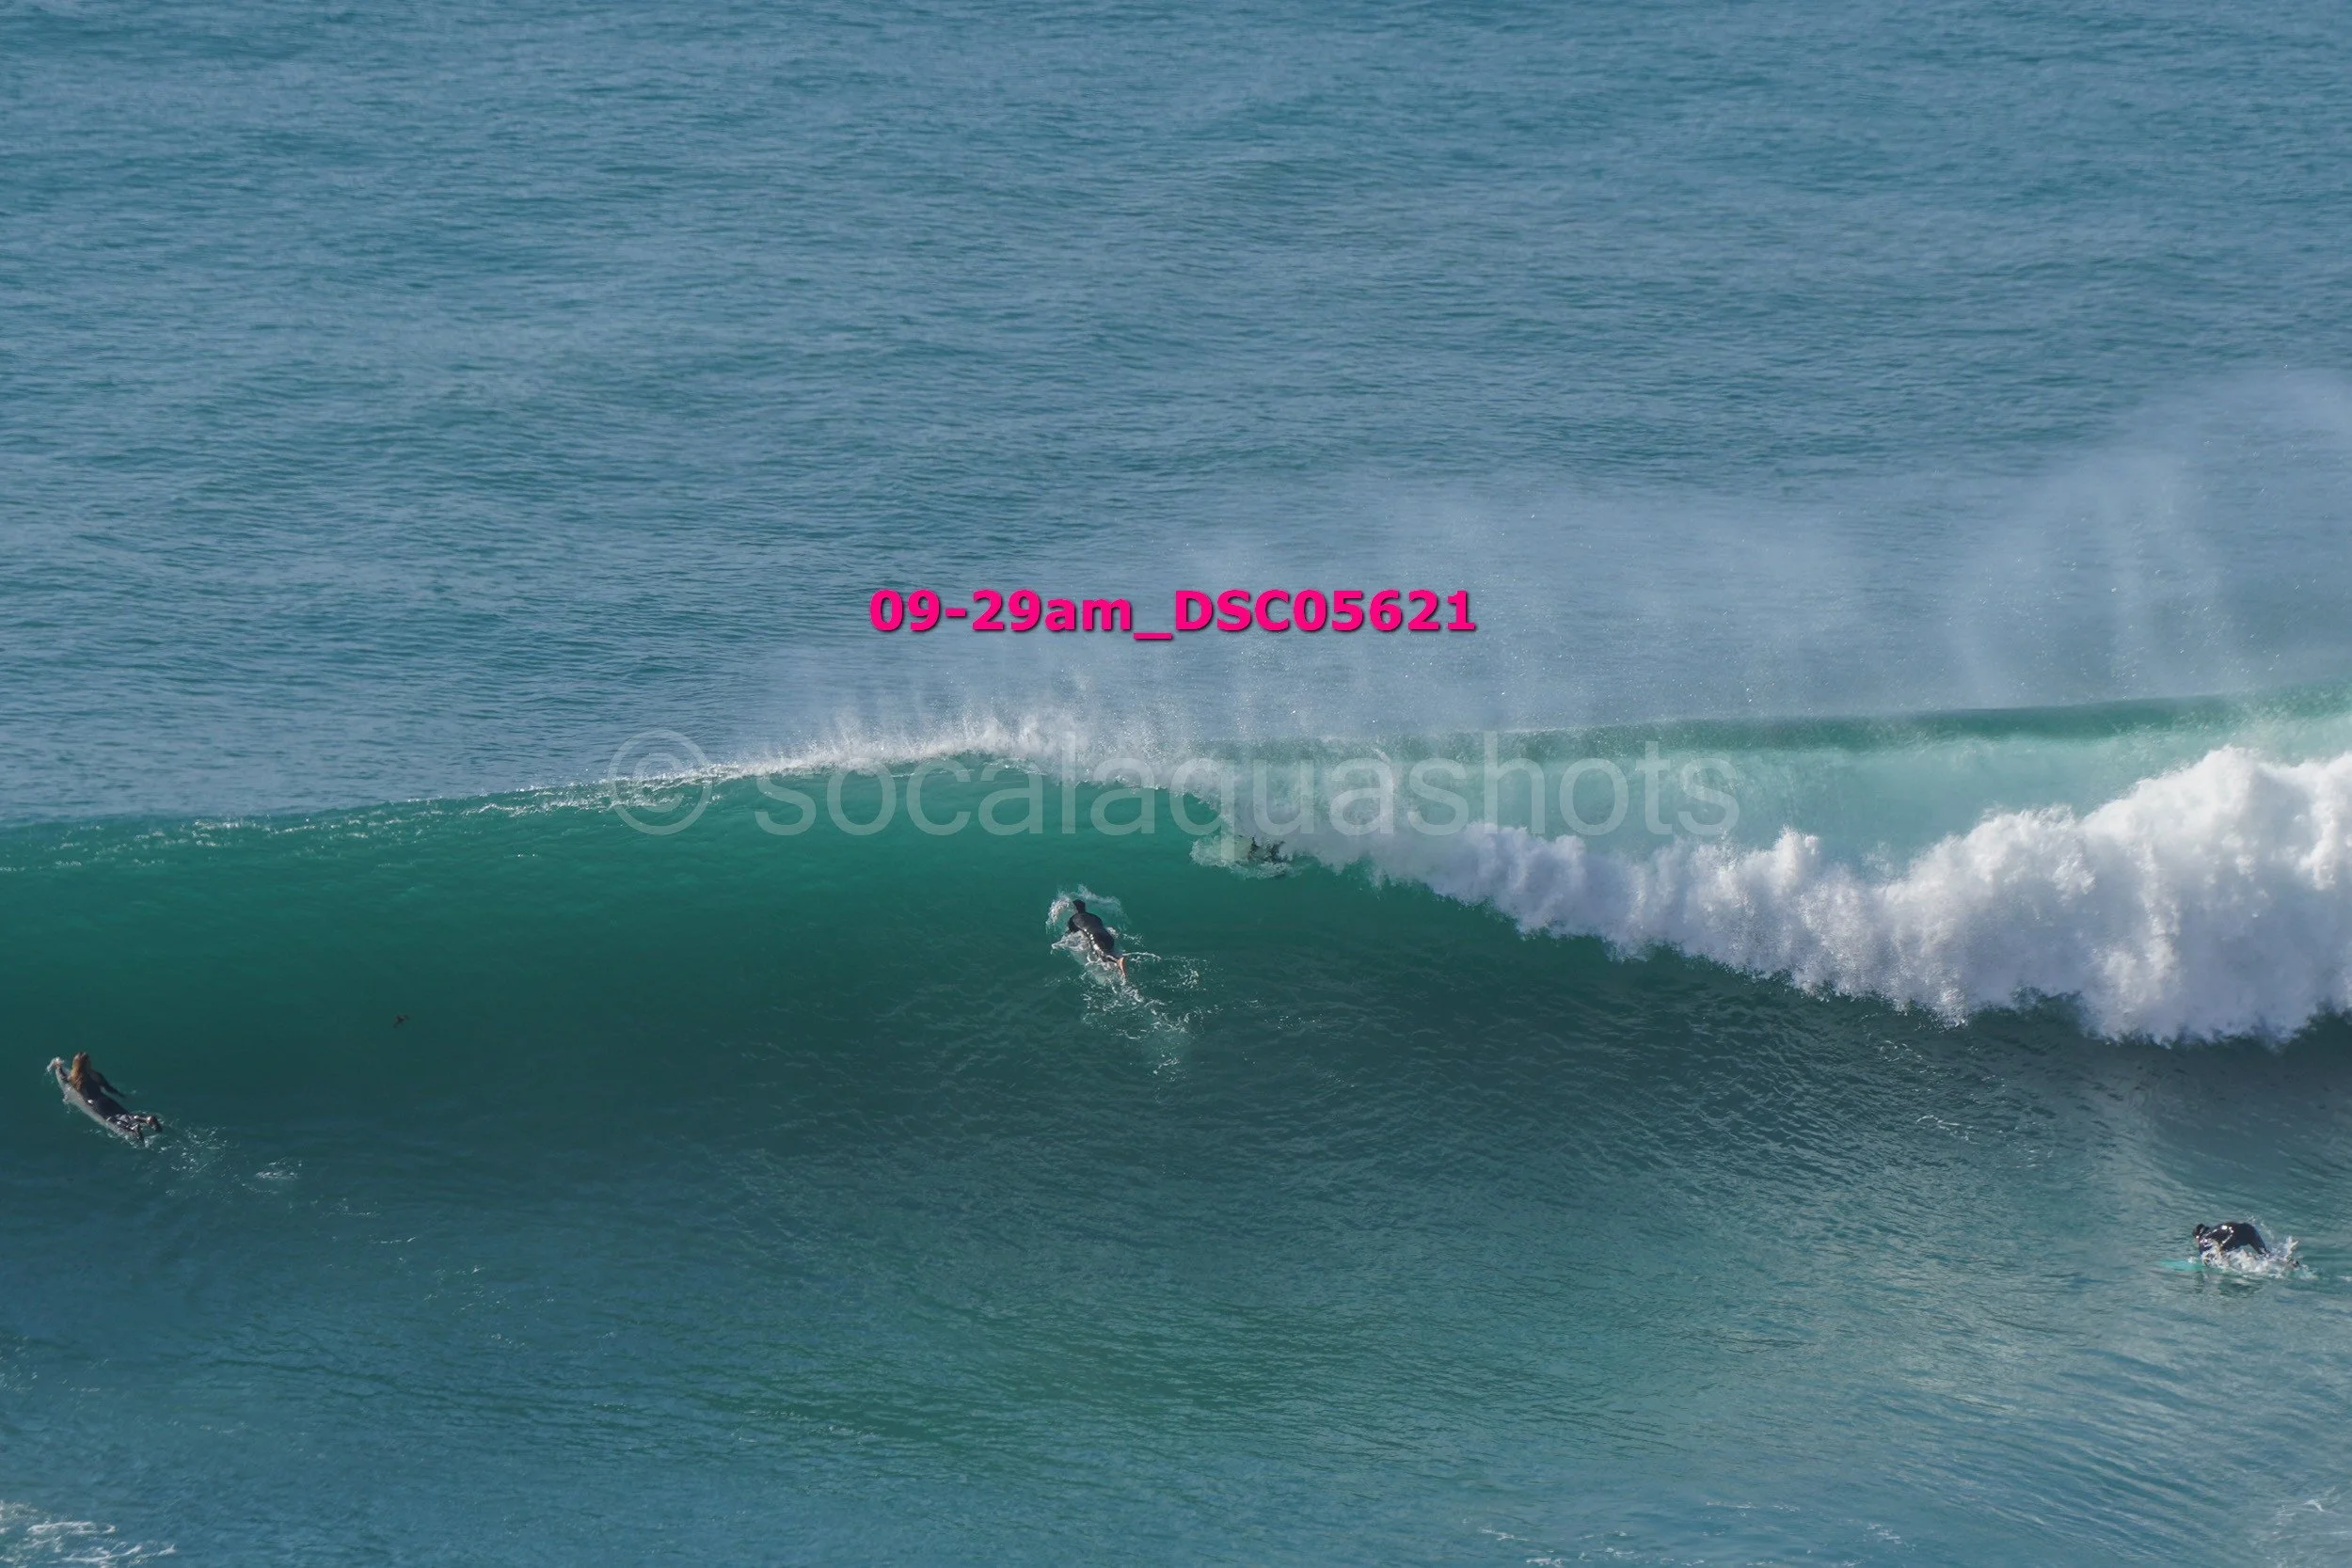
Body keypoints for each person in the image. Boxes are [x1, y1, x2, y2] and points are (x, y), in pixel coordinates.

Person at [59, 1053, 162, 1138]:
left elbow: (64, 1078)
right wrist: (120, 1094)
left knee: (112, 1119)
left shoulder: (75, 1078)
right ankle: (147, 1119)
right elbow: (108, 1088)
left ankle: (132, 1128)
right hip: (106, 1099)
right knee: (126, 1115)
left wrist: (59, 1067)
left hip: (95, 1103)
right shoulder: (96, 1075)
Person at [1067, 898, 1126, 979]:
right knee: (1108, 950)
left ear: (1075, 909)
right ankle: (1119, 965)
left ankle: (1117, 960)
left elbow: (1071, 932)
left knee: (1101, 953)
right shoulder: (1094, 916)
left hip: (1095, 937)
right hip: (1107, 936)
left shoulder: (1073, 919)